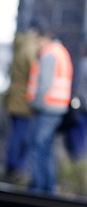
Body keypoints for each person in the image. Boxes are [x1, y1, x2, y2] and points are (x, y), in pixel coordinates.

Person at [26, 27, 73, 194]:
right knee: (46, 147)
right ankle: (48, 186)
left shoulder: (49, 53)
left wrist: (35, 103)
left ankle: (38, 186)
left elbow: (44, 84)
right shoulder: (61, 52)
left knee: (39, 146)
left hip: (46, 107)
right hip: (57, 107)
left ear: (43, 38)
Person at [4, 25, 41, 184]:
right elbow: (35, 73)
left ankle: (12, 167)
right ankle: (16, 169)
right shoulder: (30, 49)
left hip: (14, 98)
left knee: (16, 134)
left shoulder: (19, 46)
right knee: (22, 136)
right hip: (24, 100)